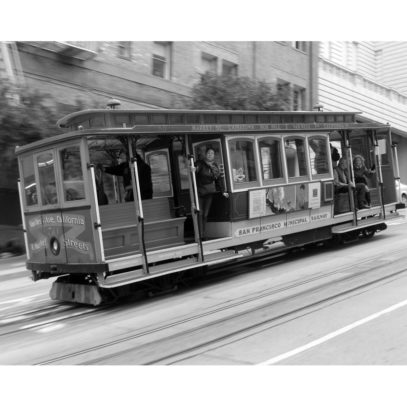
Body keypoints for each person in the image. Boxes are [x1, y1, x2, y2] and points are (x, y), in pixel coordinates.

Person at [195, 148, 229, 239]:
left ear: (214, 155)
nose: (210, 154)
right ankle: (200, 235)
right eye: (209, 153)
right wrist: (194, 169)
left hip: (209, 193)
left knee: (205, 214)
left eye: (212, 153)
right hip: (200, 192)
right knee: (200, 213)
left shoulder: (215, 166)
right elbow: (196, 169)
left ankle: (203, 233)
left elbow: (218, 180)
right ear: (206, 154)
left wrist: (223, 191)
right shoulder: (200, 163)